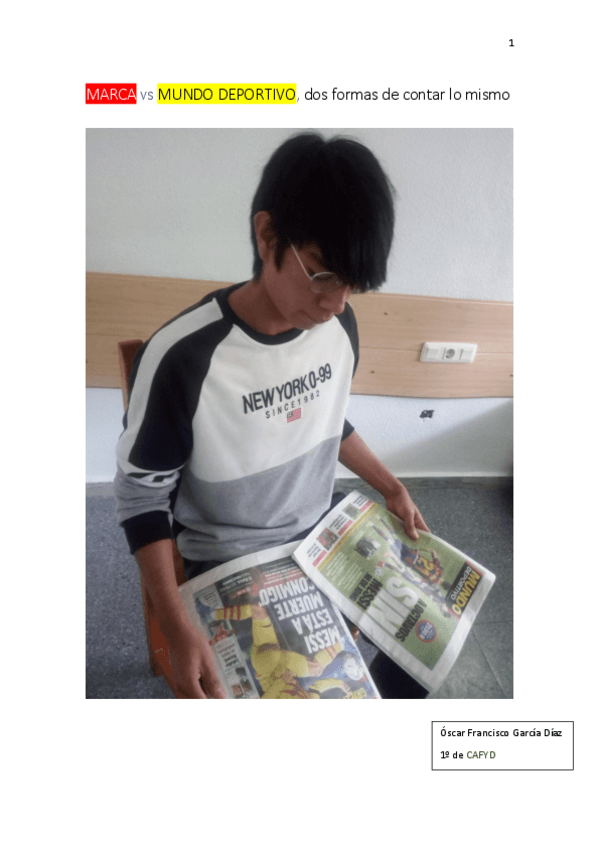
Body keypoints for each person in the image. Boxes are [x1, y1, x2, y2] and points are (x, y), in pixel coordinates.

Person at [115, 132, 430, 699]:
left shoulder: (339, 327)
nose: (336, 303)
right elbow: (142, 497)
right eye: (323, 274)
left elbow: (327, 420)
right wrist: (175, 623)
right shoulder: (184, 358)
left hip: (320, 533)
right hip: (228, 557)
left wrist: (391, 486)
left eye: (354, 285)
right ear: (268, 236)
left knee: (423, 641)